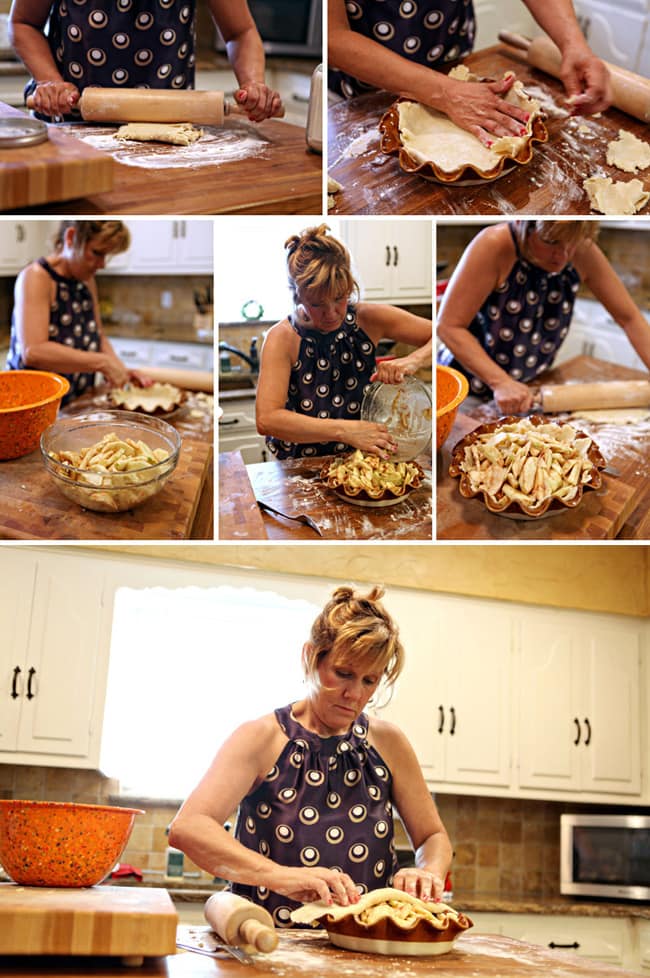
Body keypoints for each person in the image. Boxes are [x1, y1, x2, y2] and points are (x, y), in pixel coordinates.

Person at [169, 585, 452, 926]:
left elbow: (432, 837)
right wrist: (281, 876)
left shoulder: (388, 743)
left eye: (369, 680)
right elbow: (188, 828)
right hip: (268, 943)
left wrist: (428, 872)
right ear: (310, 657)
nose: (354, 694)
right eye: (343, 673)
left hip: (364, 947)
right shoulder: (261, 738)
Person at [255, 224, 432, 460]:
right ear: (298, 296)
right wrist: (345, 431)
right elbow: (267, 419)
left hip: (363, 462)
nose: (331, 313)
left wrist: (413, 361)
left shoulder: (368, 319)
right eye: (316, 304)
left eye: (339, 298)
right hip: (300, 467)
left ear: (349, 286)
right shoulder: (282, 338)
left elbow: (444, 334)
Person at [436, 220, 650, 414]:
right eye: (551, 241)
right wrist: (500, 382)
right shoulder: (494, 245)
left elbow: (629, 318)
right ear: (524, 224)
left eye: (572, 243)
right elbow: (449, 327)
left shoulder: (582, 252)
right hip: (467, 389)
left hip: (526, 389)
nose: (563, 255)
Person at [329, 0, 611, 146]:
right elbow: (333, 35)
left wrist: (573, 43)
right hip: (363, 92)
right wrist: (445, 93)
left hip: (452, 60)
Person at [9, 0, 282, 122]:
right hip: (72, 122)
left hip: (169, 123)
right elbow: (23, 23)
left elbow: (240, 32)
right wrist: (50, 82)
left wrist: (253, 83)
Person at [7, 220, 151, 405]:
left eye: (106, 256)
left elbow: (98, 335)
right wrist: (103, 363)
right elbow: (34, 351)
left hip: (76, 399)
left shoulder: (87, 280)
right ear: (71, 238)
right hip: (35, 404)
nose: (102, 264)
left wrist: (119, 370)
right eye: (96, 253)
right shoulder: (36, 277)